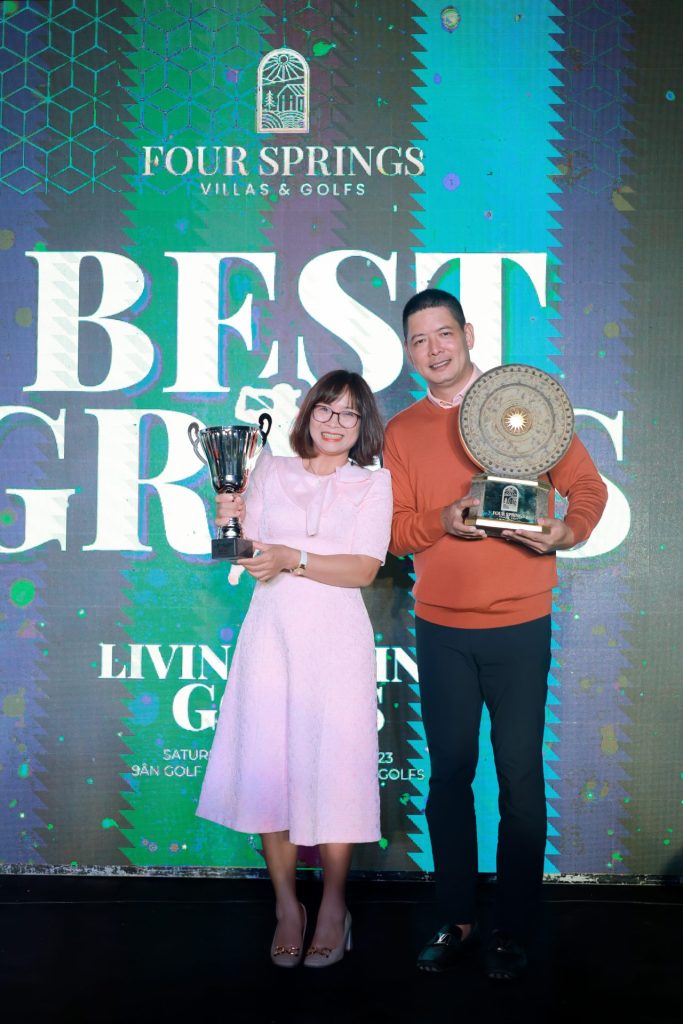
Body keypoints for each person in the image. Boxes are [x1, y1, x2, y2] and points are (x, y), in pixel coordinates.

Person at [383, 289, 608, 980]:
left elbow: (587, 487)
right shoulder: (402, 431)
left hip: (520, 624)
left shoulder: (523, 404)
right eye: (419, 340)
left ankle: (512, 926)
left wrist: (566, 532)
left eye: (443, 334)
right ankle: (456, 919)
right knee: (449, 775)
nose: (434, 349)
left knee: (519, 779)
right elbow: (393, 531)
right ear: (408, 352)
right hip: (441, 630)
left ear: (468, 334)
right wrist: (440, 522)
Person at [197, 370, 392, 969]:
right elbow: (242, 551)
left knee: (335, 771)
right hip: (272, 635)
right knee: (270, 766)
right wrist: (228, 518)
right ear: (308, 414)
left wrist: (293, 557)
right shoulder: (271, 470)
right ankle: (287, 906)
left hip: (337, 640)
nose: (335, 423)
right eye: (325, 409)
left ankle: (333, 907)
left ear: (362, 427)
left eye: (349, 414)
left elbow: (364, 568)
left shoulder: (373, 483)